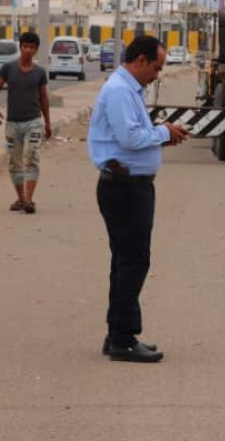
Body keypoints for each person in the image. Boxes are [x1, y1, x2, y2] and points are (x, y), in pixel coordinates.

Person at [87, 36, 190, 363]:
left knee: (126, 261)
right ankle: (123, 337)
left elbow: (134, 135)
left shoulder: (128, 90)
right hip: (124, 187)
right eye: (156, 68)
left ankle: (117, 332)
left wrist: (162, 135)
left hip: (131, 186)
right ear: (141, 60)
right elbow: (130, 137)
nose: (157, 75)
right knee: (133, 261)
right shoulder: (119, 91)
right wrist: (163, 133)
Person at [0, 30, 51, 215]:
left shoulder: (39, 72)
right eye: (25, 46)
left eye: (32, 47)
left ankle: (29, 200)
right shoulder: (8, 69)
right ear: (20, 47)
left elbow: (43, 98)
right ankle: (21, 198)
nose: (28, 50)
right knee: (15, 162)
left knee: (31, 159)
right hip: (12, 124)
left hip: (33, 121)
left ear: (36, 50)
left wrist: (47, 122)